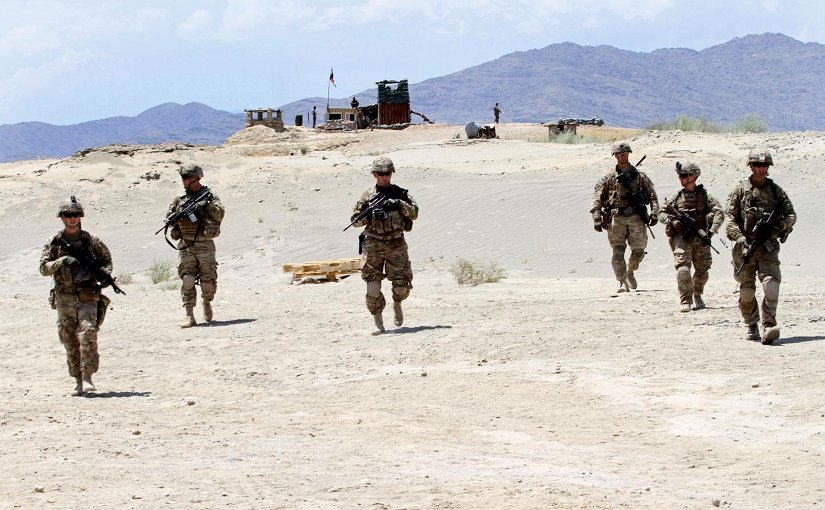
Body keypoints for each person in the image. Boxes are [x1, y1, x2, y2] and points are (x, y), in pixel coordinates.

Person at [40, 196, 114, 396]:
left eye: (75, 215)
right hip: (64, 297)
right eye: (68, 215)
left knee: (88, 331)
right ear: (62, 218)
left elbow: (107, 261)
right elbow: (43, 268)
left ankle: (88, 375)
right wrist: (62, 261)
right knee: (69, 339)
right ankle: (77, 379)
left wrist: (104, 276)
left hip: (87, 295)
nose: (72, 219)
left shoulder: (91, 241)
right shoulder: (54, 242)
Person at [725, 148, 796, 344]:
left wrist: (779, 228)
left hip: (768, 247)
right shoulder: (739, 189)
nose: (761, 169)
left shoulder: (775, 190)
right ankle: (751, 323)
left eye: (764, 165)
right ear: (751, 166)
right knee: (747, 291)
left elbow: (791, 214)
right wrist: (740, 238)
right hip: (745, 247)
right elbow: (729, 219)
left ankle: (769, 325)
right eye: (757, 165)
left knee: (771, 285)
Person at [350, 156, 419, 334]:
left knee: (401, 286)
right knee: (372, 287)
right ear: (374, 174)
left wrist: (398, 204)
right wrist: (372, 214)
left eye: (387, 173)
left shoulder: (400, 193)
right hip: (373, 242)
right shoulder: (368, 196)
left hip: (396, 242)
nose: (384, 177)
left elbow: (414, 214)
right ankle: (377, 315)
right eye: (380, 173)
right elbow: (355, 221)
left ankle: (397, 303)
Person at [590, 142, 660, 293]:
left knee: (639, 251)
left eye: (625, 153)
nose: (623, 156)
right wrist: (596, 216)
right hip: (616, 219)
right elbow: (597, 197)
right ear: (615, 156)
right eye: (620, 154)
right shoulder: (608, 177)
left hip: (636, 218)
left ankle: (631, 271)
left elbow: (652, 196)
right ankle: (621, 281)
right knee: (618, 252)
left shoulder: (640, 176)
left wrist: (655, 213)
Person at [658, 162, 724, 312]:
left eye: (684, 175)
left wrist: (711, 231)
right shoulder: (676, 197)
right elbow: (661, 214)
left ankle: (697, 293)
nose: (681, 178)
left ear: (693, 176)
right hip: (681, 237)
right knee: (683, 269)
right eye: (680, 176)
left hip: (701, 237)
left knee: (702, 271)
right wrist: (672, 221)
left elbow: (719, 213)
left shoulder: (706, 196)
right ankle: (685, 299)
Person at [166, 164, 225, 328]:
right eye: (182, 178)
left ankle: (207, 301)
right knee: (187, 279)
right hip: (186, 244)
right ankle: (189, 315)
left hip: (205, 243)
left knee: (208, 283)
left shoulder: (210, 196)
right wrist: (173, 218)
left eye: (185, 178)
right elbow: (169, 218)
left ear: (195, 178)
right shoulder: (179, 199)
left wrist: (206, 206)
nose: (183, 181)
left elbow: (220, 215)